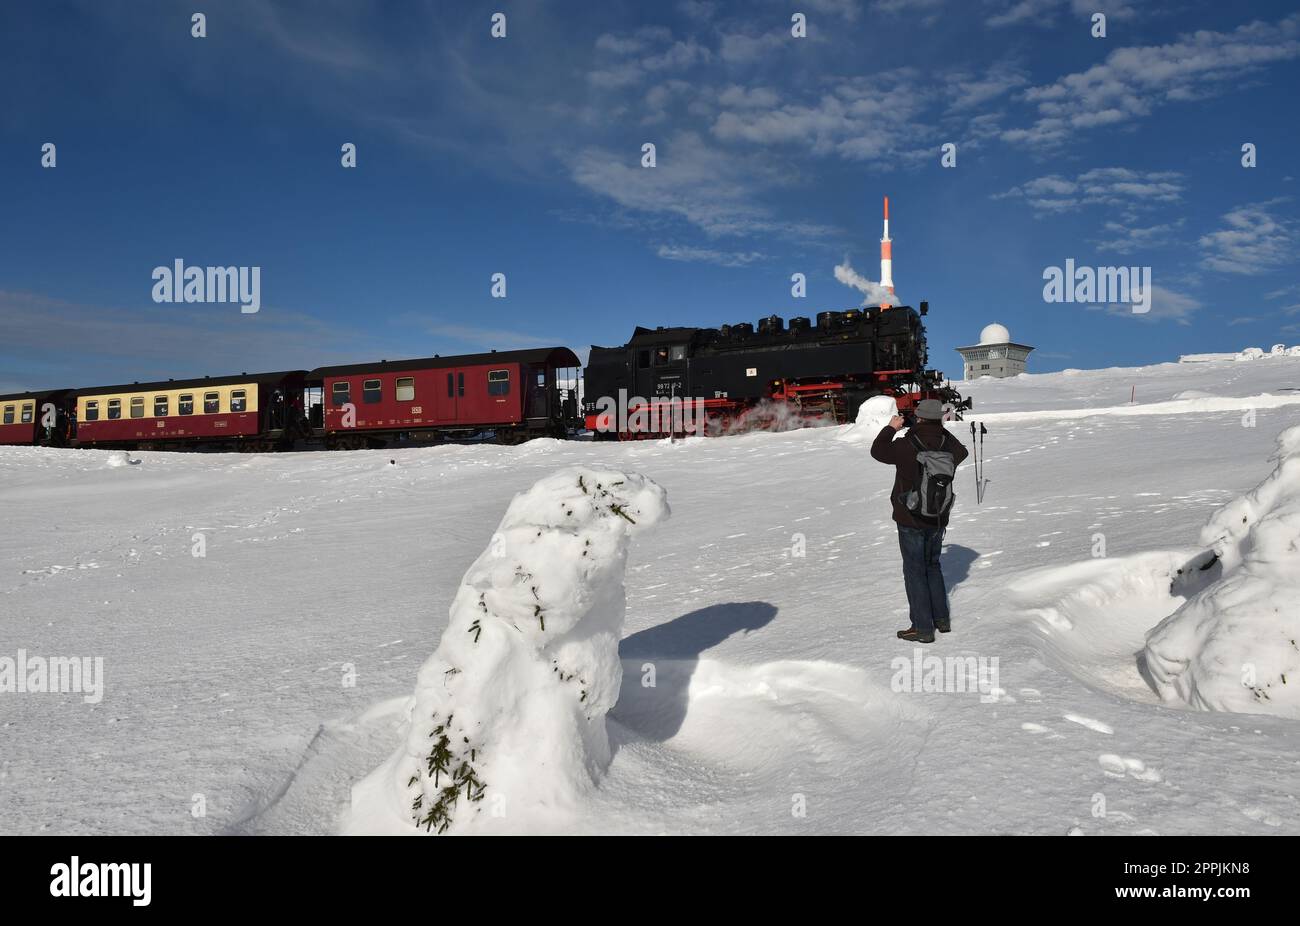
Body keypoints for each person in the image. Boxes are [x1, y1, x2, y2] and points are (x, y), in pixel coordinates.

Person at [870, 399, 969, 643]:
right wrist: (938, 429)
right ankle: (941, 620)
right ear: (939, 419)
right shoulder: (949, 444)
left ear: (919, 417)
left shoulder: (908, 444)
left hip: (910, 516)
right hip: (937, 517)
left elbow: (878, 451)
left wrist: (891, 427)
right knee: (932, 565)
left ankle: (922, 628)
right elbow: (963, 452)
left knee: (915, 570)